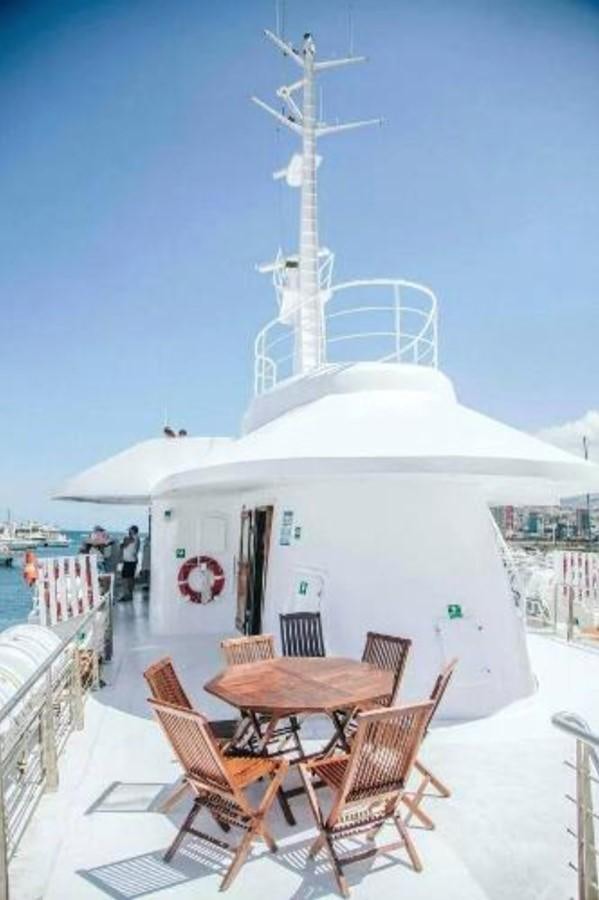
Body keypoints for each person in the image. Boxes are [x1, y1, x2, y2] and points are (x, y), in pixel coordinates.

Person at [120, 525, 140, 602]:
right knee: (130, 577)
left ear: (133, 531)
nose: (128, 532)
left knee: (125, 577)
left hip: (129, 560)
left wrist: (123, 542)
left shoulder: (133, 538)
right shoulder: (136, 538)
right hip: (131, 560)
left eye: (130, 530)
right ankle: (129, 594)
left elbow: (124, 544)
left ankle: (127, 594)